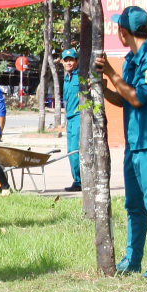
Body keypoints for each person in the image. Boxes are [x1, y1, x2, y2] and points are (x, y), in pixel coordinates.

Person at [97, 6, 147, 279]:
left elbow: (138, 98)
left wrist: (113, 75)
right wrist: (104, 89)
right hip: (132, 145)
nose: (117, 33)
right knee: (133, 205)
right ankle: (133, 259)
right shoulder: (130, 59)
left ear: (124, 31)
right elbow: (123, 97)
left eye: (119, 28)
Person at [61, 48, 82, 192]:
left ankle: (80, 181)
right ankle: (77, 180)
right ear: (62, 62)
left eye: (71, 60)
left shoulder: (80, 75)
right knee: (71, 151)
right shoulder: (66, 79)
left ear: (76, 61)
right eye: (66, 60)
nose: (69, 62)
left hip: (79, 118)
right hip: (70, 119)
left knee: (75, 151)